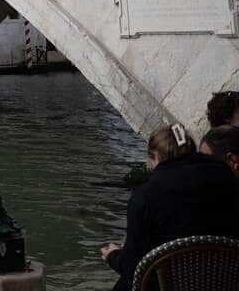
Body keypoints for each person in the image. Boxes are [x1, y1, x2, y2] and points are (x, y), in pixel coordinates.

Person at [100, 124, 239, 291]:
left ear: (156, 157)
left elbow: (133, 267)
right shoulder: (231, 183)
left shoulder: (146, 196)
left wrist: (113, 256)